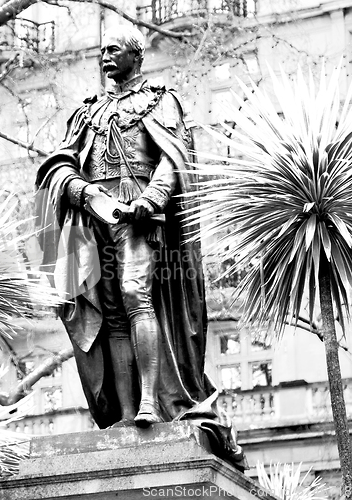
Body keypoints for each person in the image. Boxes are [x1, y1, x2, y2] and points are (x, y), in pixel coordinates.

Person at [36, 24, 246, 468]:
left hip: (142, 217)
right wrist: (82, 193)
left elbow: (174, 161)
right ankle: (127, 413)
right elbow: (59, 166)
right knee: (110, 312)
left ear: (137, 56)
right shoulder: (86, 111)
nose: (105, 57)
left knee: (136, 294)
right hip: (95, 222)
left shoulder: (160, 100)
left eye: (113, 50)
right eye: (101, 52)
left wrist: (148, 200)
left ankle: (152, 401)